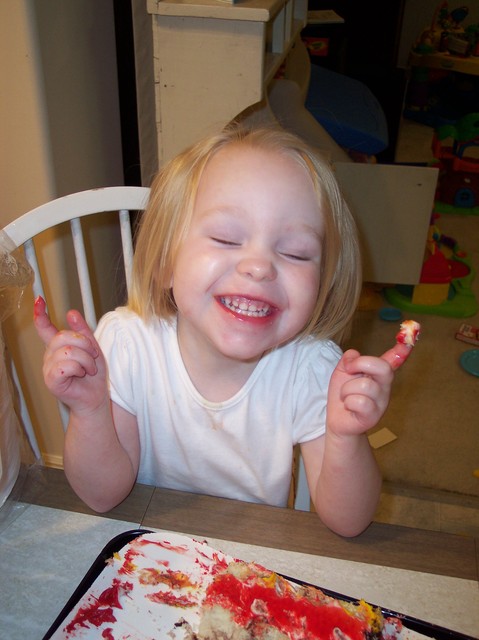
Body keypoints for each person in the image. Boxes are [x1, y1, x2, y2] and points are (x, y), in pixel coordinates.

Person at [34, 124, 414, 537]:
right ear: (164, 262)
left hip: (249, 564)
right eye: (225, 238)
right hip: (143, 550)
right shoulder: (128, 346)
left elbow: (349, 523)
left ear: (323, 283)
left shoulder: (312, 370)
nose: (259, 266)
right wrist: (90, 412)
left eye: (295, 252)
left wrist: (345, 436)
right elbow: (101, 496)